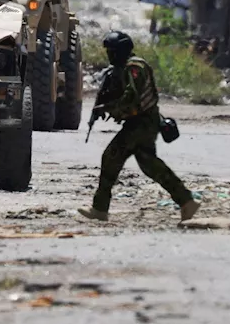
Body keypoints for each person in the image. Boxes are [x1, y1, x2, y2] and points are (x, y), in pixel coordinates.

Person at [79, 31, 200, 222]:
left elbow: (131, 97)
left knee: (111, 157)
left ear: (120, 51)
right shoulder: (124, 68)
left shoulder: (135, 67)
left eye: (112, 51)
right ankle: (186, 201)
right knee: (151, 166)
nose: (109, 55)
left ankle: (100, 209)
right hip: (143, 122)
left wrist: (109, 108)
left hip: (141, 123)